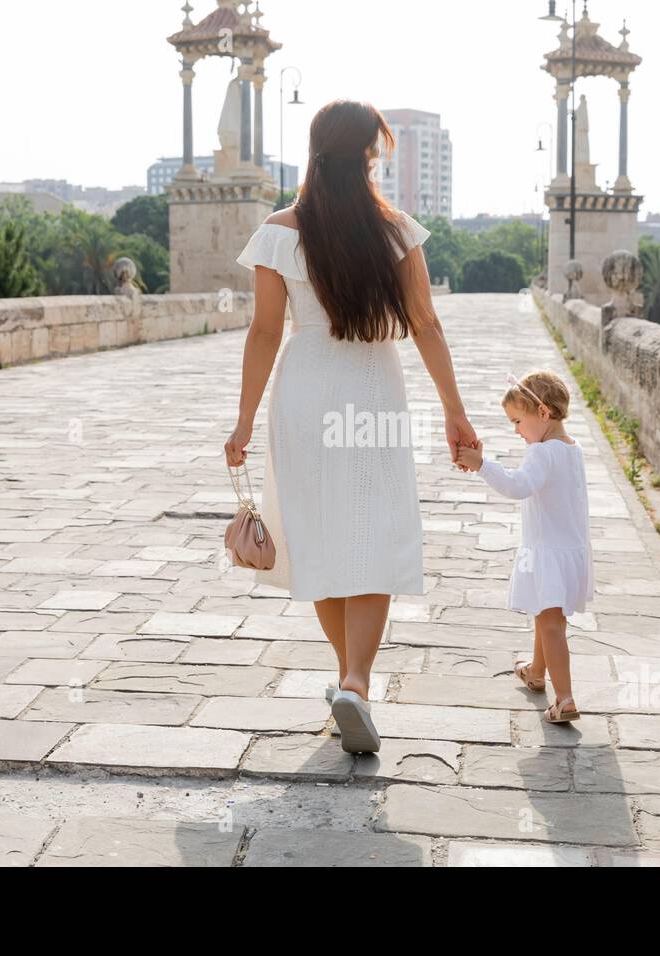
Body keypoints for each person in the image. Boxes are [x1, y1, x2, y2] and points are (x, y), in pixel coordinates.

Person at [225, 100, 478, 753]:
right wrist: (455, 410)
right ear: (369, 155)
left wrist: (245, 420)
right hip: (371, 387)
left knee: (316, 536)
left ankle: (349, 683)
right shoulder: (395, 231)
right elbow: (425, 324)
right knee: (372, 533)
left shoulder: (280, 231)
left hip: (304, 388)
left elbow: (262, 332)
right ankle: (357, 683)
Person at [454, 370, 594, 723]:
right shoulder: (572, 449)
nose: (517, 430)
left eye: (518, 421)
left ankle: (564, 699)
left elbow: (518, 486)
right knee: (547, 617)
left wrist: (482, 464)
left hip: (546, 552)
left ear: (543, 413)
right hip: (569, 551)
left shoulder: (541, 452)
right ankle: (535, 672)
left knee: (550, 624)